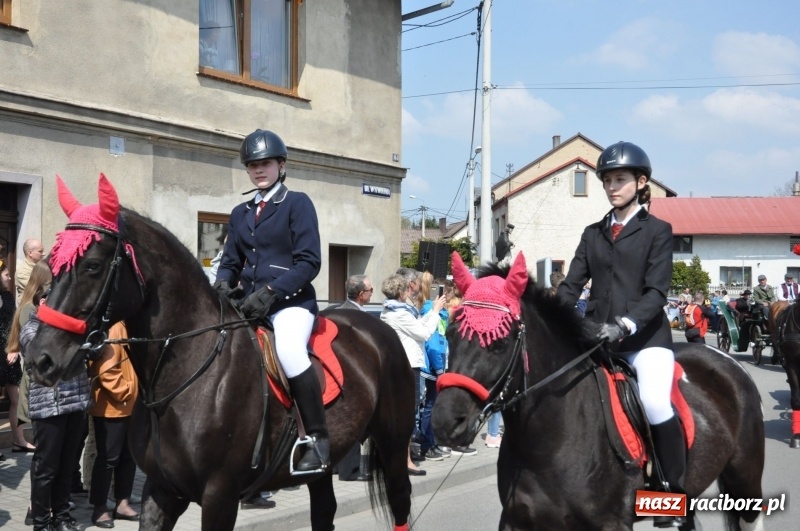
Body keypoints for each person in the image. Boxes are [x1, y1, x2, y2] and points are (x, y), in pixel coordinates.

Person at [557, 141, 686, 528]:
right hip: (597, 338)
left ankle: (669, 494)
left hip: (644, 340)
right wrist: (554, 317)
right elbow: (571, 285)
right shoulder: (593, 233)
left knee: (654, 401)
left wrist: (624, 324)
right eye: (607, 180)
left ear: (641, 182)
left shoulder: (658, 231)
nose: (612, 187)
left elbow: (656, 293)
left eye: (620, 180)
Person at [214, 129, 328, 476]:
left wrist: (273, 292)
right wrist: (222, 285)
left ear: (281, 165)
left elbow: (309, 262)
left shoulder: (296, 203)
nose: (258, 170)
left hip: (289, 304)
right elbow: (230, 262)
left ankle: (316, 439)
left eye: (265, 163)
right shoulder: (240, 212)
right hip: (249, 305)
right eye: (252, 165)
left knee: (290, 351)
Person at [21, 289, 90, 531]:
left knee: (66, 465)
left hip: (75, 403)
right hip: (49, 407)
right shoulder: (31, 329)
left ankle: (62, 517)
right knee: (46, 467)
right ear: (43, 302)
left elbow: (93, 350)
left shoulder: (73, 328)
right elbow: (53, 357)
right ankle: (41, 522)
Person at [380, 273, 445, 476]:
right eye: (407, 289)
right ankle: (405, 460)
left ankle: (403, 458)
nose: (410, 292)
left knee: (407, 413)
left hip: (406, 365)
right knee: (407, 414)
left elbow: (418, 327)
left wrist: (432, 312)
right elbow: (424, 334)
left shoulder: (397, 310)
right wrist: (435, 312)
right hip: (408, 366)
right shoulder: (398, 313)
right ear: (401, 292)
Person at [88, 322, 140, 528]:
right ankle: (99, 508)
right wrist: (128, 391)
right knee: (108, 459)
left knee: (128, 457)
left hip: (130, 406)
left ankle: (122, 503)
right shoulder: (114, 328)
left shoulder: (129, 325)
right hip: (112, 407)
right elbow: (106, 369)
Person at [336, 274, 373, 482]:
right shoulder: (352, 316)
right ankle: (349, 470)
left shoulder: (345, 310)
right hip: (351, 376)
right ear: (361, 294)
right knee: (353, 421)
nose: (372, 293)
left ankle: (340, 463)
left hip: (350, 374)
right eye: (370, 290)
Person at [418, 275, 450, 461]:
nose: (449, 298)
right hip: (431, 368)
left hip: (437, 366)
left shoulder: (441, 312)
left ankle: (431, 441)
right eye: (447, 294)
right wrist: (439, 369)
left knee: (433, 405)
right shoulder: (432, 311)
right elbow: (433, 344)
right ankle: (427, 445)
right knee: (430, 406)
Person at [15, 238, 45, 302]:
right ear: (30, 253)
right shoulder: (22, 271)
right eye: (40, 251)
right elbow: (38, 289)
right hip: (29, 306)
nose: (43, 254)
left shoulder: (40, 267)